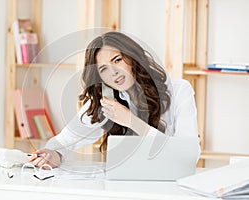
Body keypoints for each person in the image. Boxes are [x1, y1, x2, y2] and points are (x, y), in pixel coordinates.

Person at [28, 31, 200, 168]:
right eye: (104, 69)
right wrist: (53, 154)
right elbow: (66, 140)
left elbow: (188, 155)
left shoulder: (178, 91)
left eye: (117, 60)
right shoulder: (107, 101)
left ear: (133, 58)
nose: (113, 72)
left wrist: (131, 121)